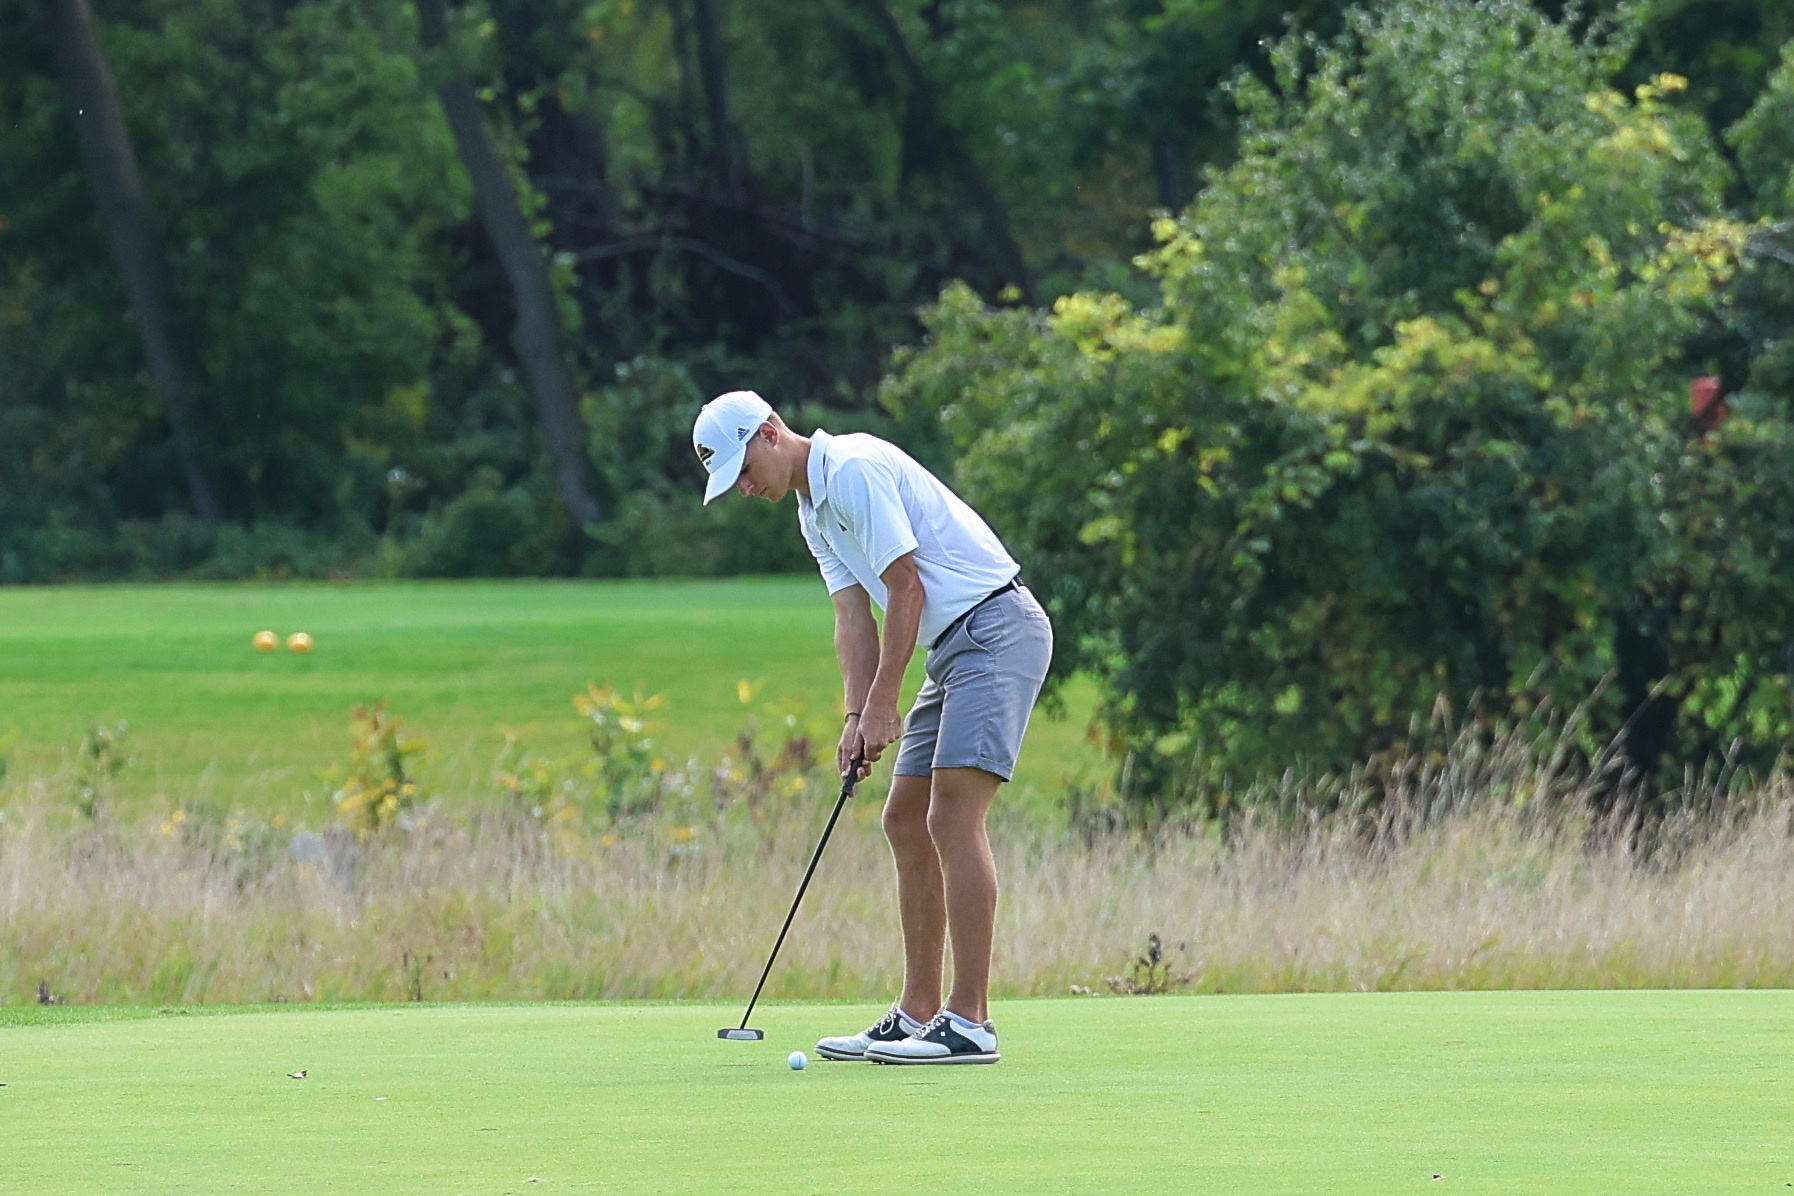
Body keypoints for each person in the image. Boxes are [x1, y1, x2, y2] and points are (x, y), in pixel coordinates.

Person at [693, 389, 1053, 1064]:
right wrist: (857, 716)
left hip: (998, 629)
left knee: (951, 815)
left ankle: (970, 1021)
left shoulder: (853, 469)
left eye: (743, 470)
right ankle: (918, 1014)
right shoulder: (811, 511)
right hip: (953, 648)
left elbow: (906, 586)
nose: (743, 488)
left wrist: (887, 703)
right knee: (903, 817)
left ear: (771, 433)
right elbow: (853, 620)